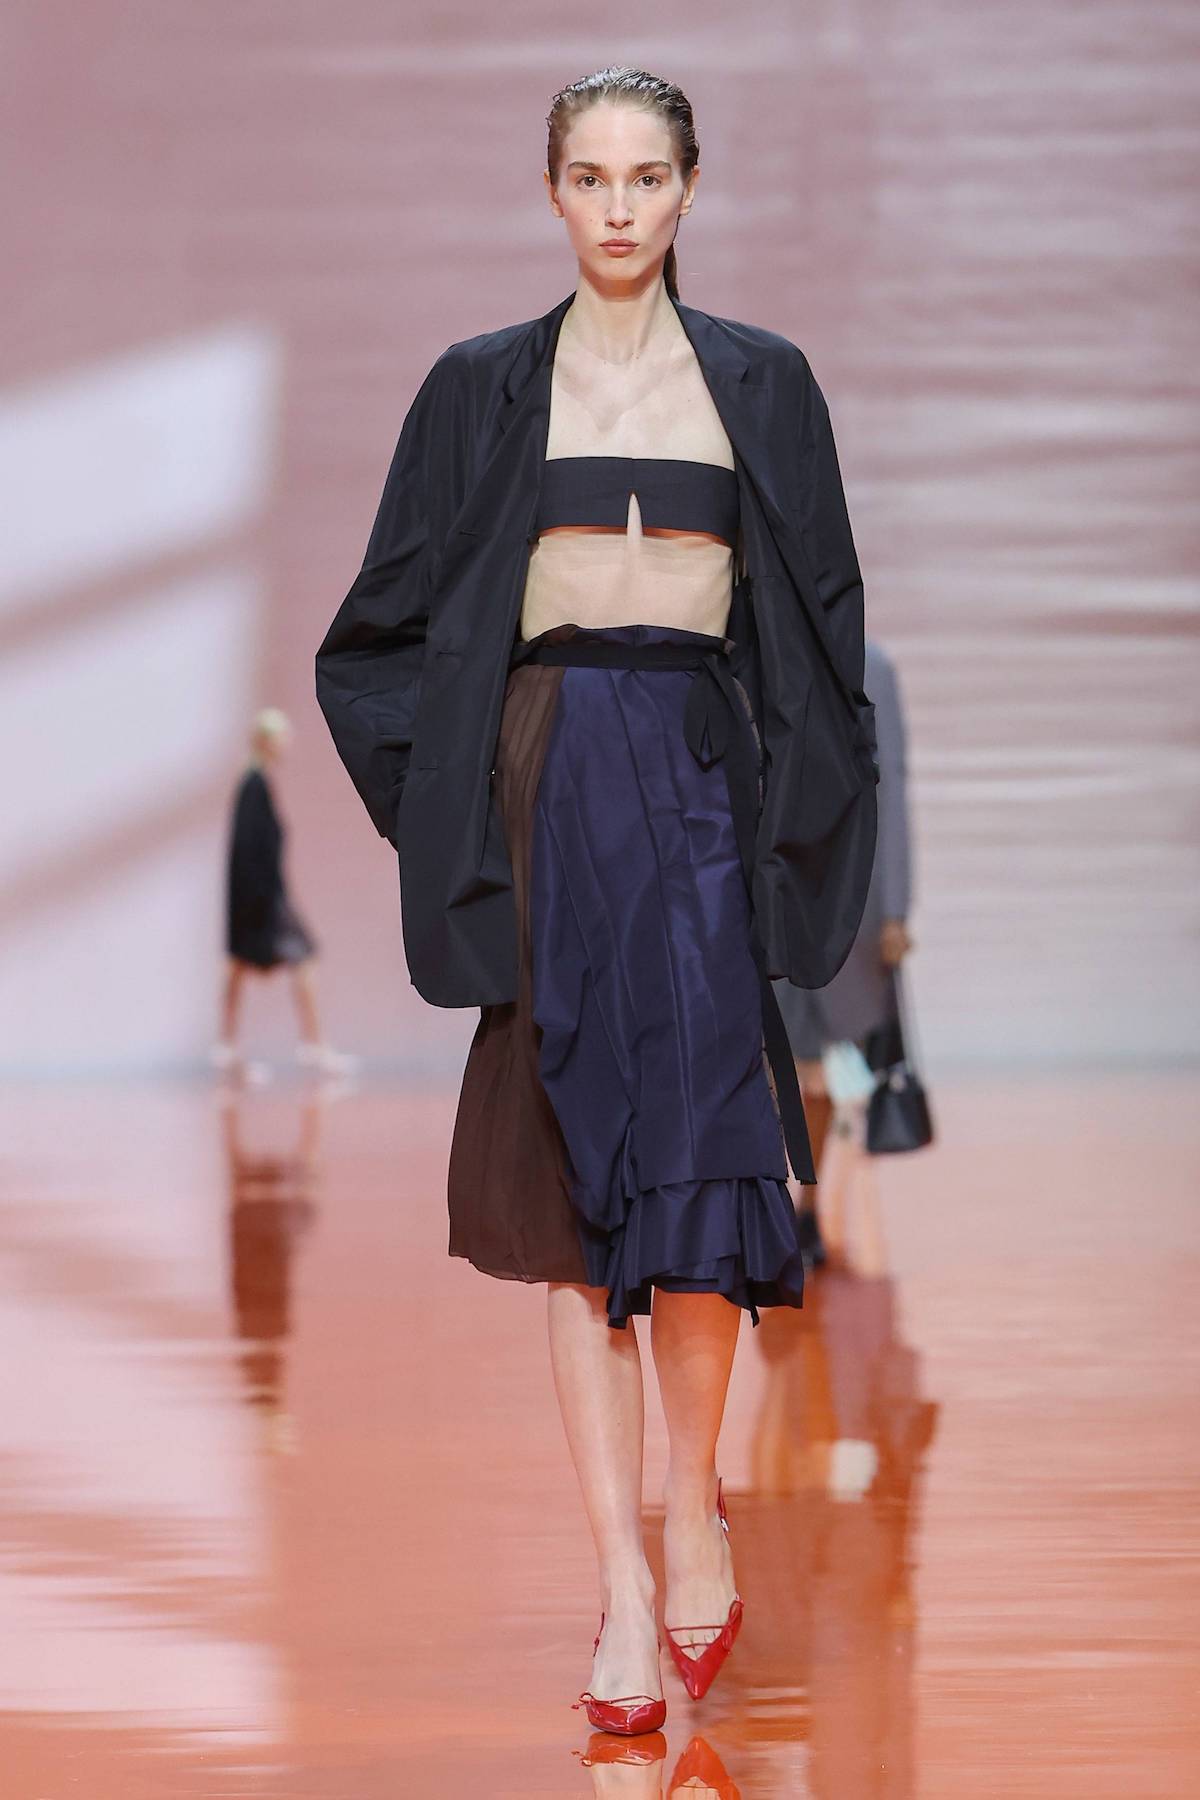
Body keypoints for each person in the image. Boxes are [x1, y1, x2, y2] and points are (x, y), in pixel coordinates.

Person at [315, 67, 879, 1735]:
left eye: (647, 176)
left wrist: (796, 839)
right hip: (549, 787)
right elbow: (378, 639)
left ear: (691, 190)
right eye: (590, 176)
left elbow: (822, 633)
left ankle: (693, 1510)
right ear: (552, 191)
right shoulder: (480, 389)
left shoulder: (764, 384)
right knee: (575, 1218)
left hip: (699, 791)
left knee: (701, 1197)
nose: (619, 206)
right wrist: (459, 810)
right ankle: (624, 1590)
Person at [773, 637, 915, 1264]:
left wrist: (895, 908)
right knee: (777, 1055)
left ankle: (803, 1207)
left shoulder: (870, 665)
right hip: (767, 882)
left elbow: (891, 784)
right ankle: (786, 1205)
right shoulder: (753, 645)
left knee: (819, 1061)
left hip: (845, 891)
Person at [215, 708, 356, 1080]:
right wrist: (260, 901)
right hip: (261, 898)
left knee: (242, 965)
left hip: (259, 897)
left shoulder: (256, 782)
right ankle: (309, 1046)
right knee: (295, 958)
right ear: (266, 740)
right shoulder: (253, 784)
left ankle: (232, 1049)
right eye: (282, 737)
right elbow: (247, 849)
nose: (287, 744)